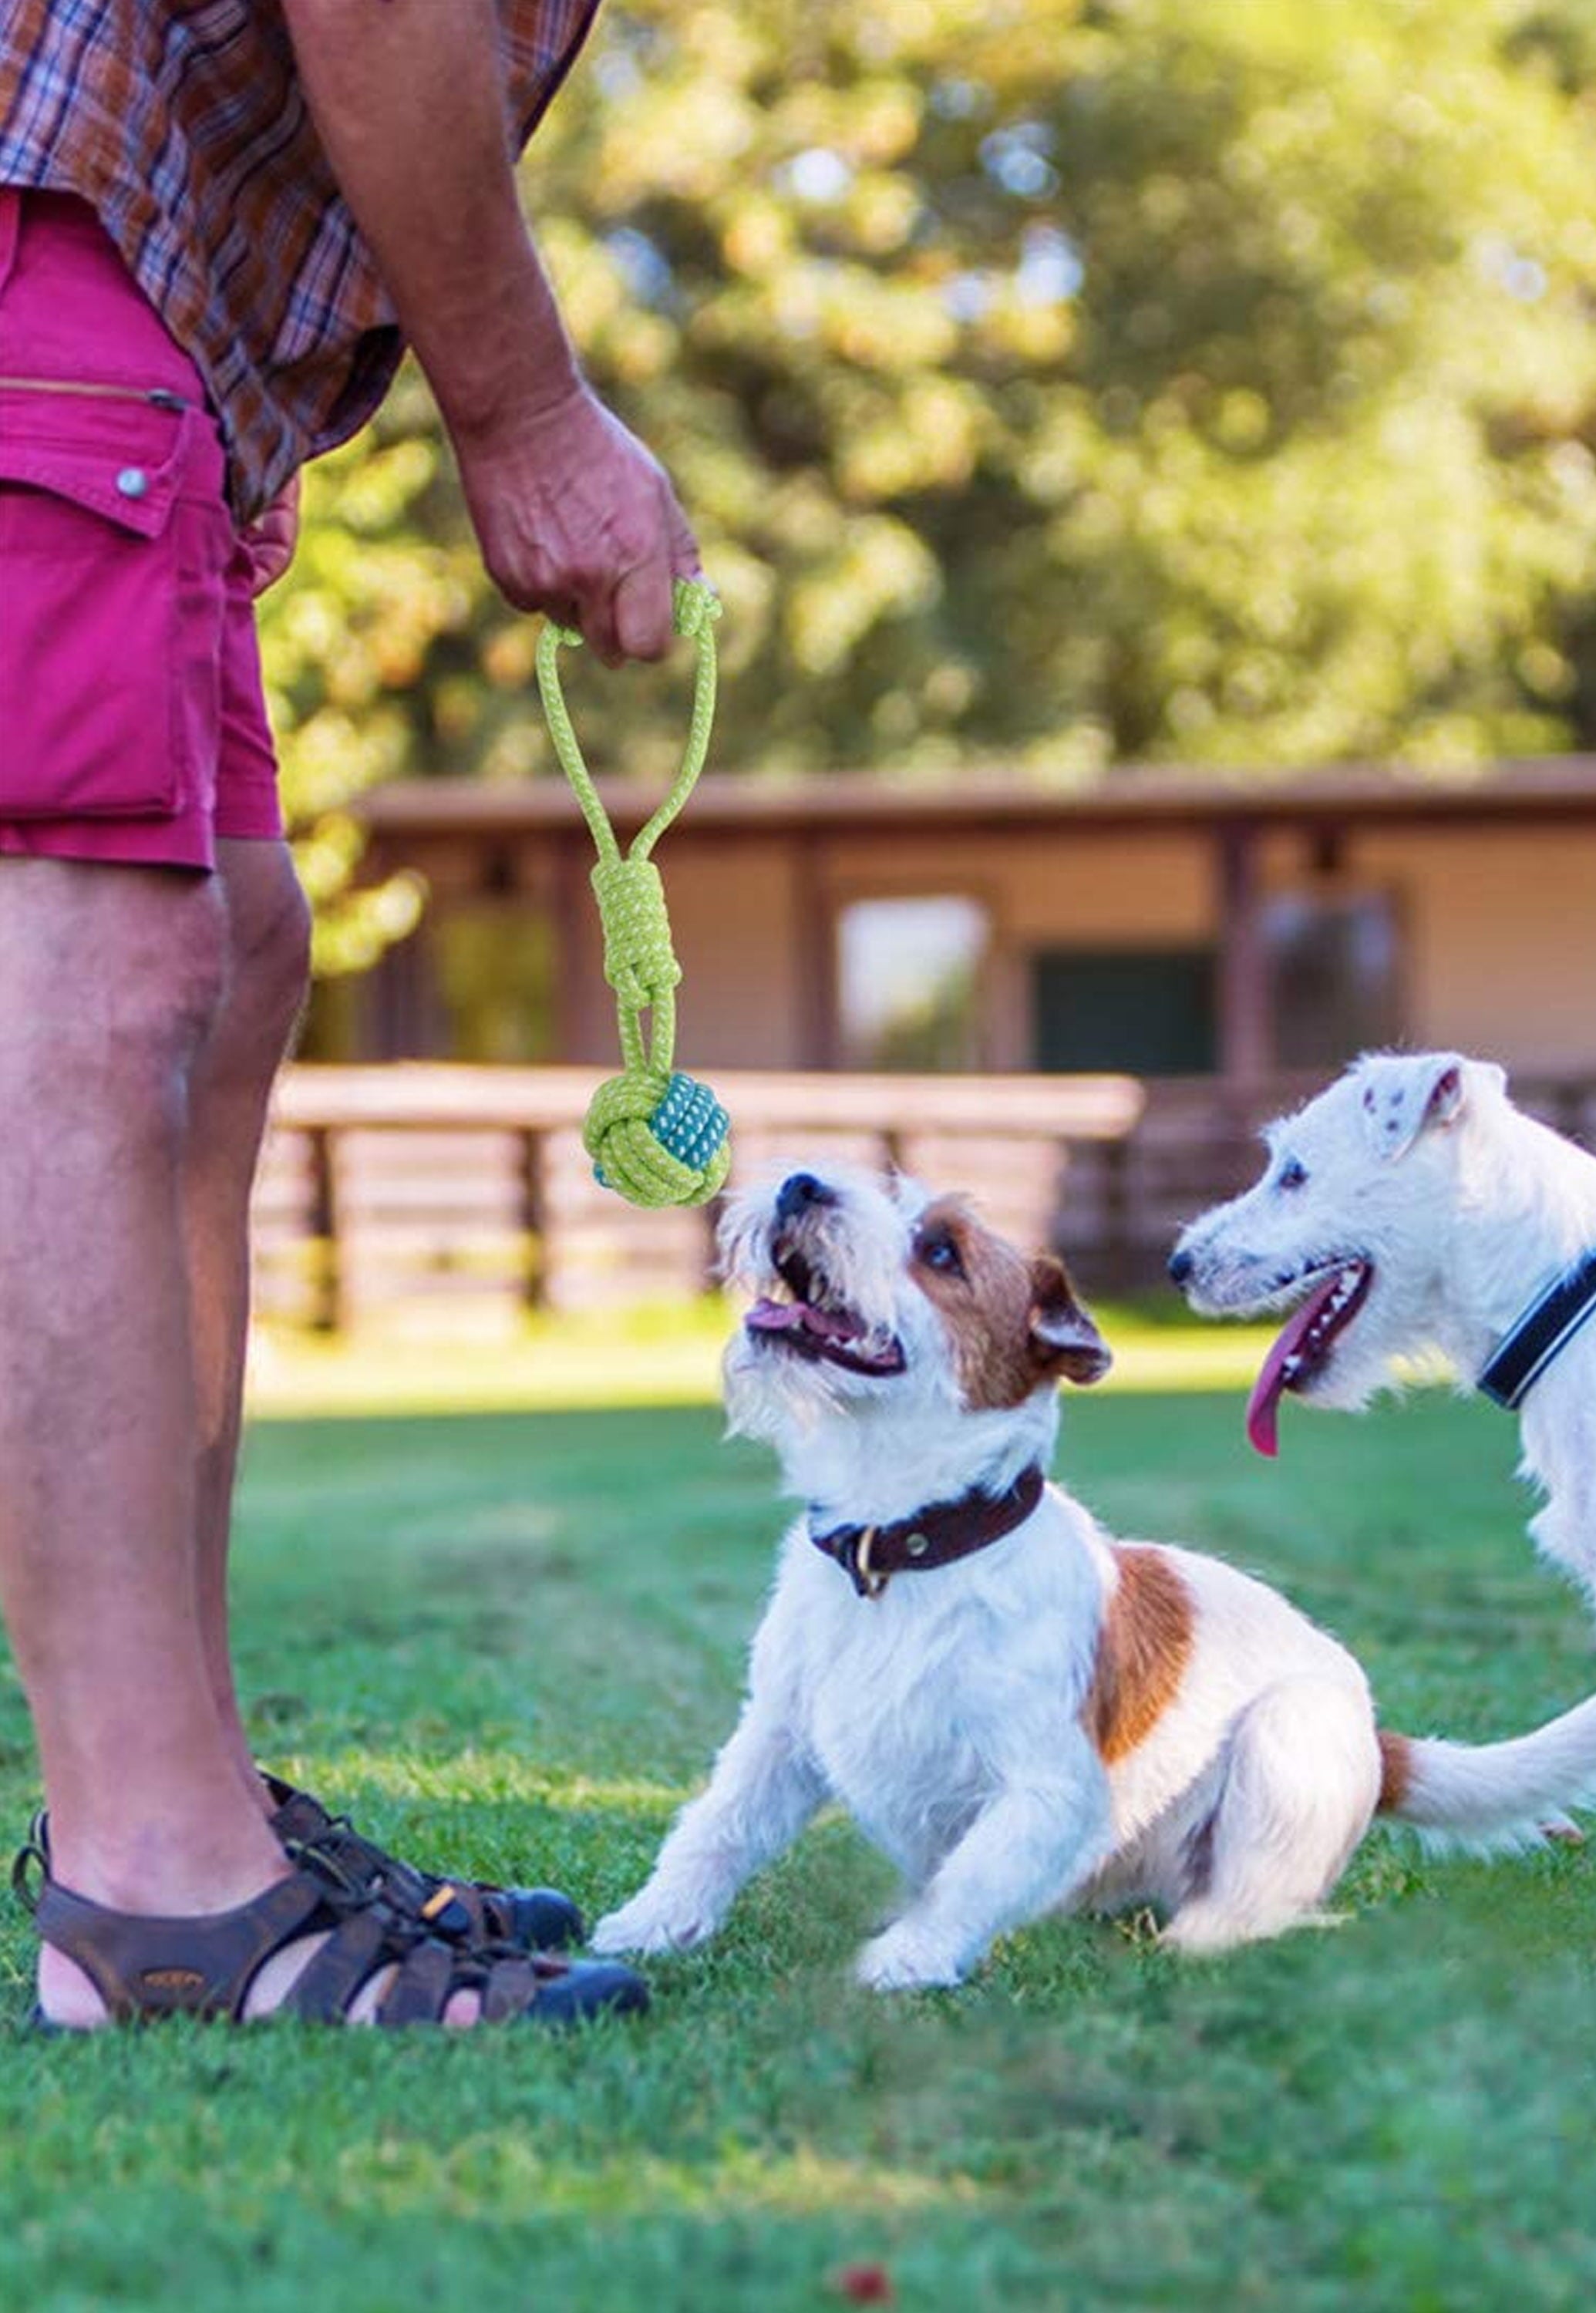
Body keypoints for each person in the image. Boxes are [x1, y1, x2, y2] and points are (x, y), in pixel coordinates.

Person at [0, 1, 695, 2029]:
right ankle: (153, 1889)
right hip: (45, 218)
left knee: (236, 945)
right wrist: (527, 412)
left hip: (146, 299)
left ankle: (187, 1792)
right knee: (92, 961)